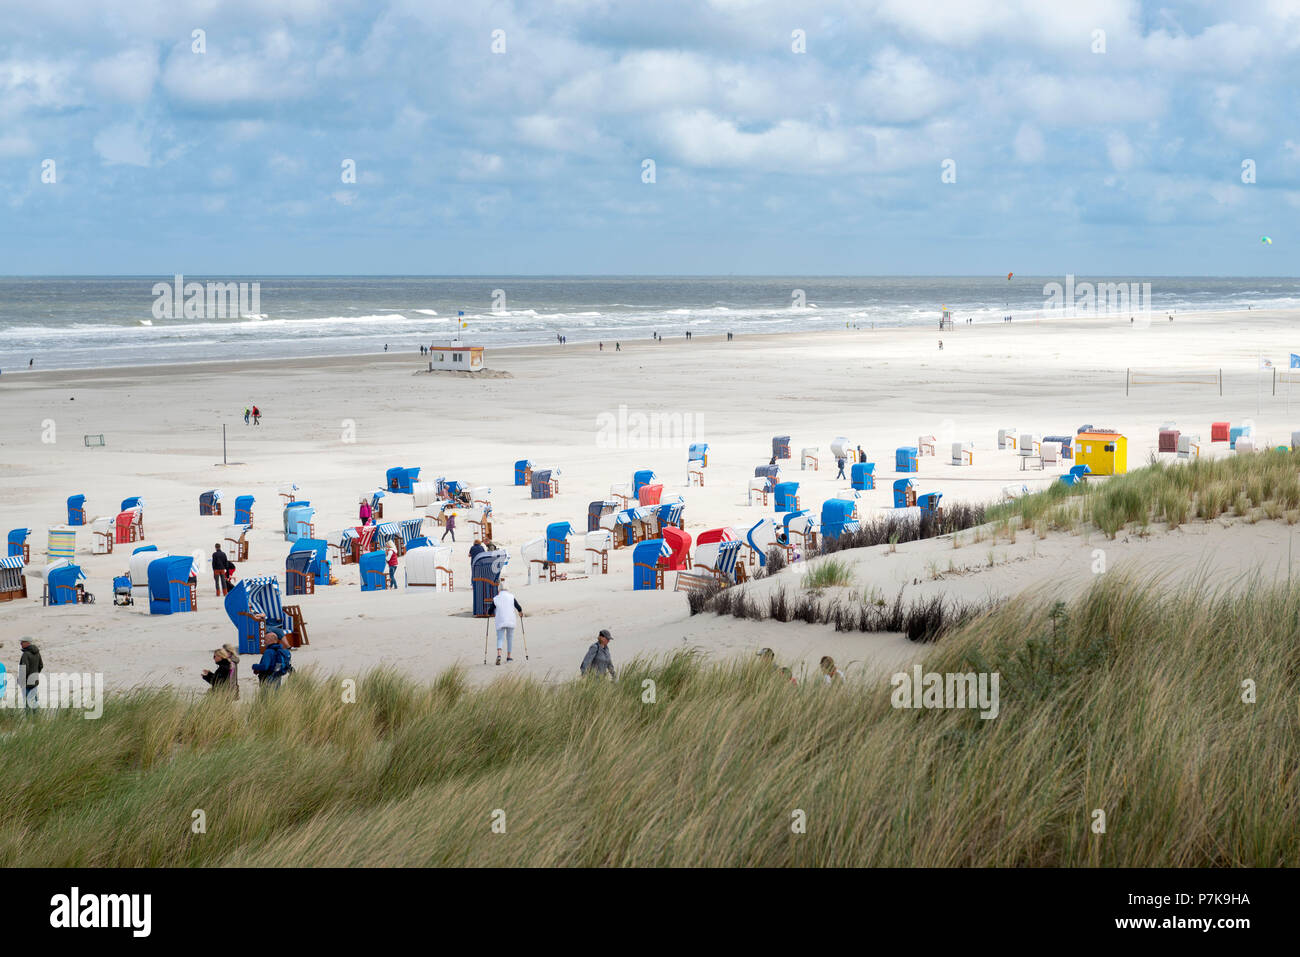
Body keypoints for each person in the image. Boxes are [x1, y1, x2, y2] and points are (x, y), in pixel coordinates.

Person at [487, 581, 522, 665]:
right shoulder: (511, 597)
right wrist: (520, 612)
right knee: (509, 638)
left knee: (500, 638)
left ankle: (499, 655)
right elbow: (518, 607)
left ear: (499, 589)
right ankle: (509, 656)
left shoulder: (496, 598)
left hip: (500, 620)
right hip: (511, 620)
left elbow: (490, 610)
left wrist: (488, 613)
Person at [19, 637, 42, 708]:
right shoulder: (37, 653)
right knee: (34, 702)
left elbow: (24, 669)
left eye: (22, 642)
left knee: (27, 704)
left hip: (27, 683)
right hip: (34, 681)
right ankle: (36, 718)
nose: (20, 644)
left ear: (28, 643)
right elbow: (41, 665)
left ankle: (29, 718)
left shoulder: (25, 654)